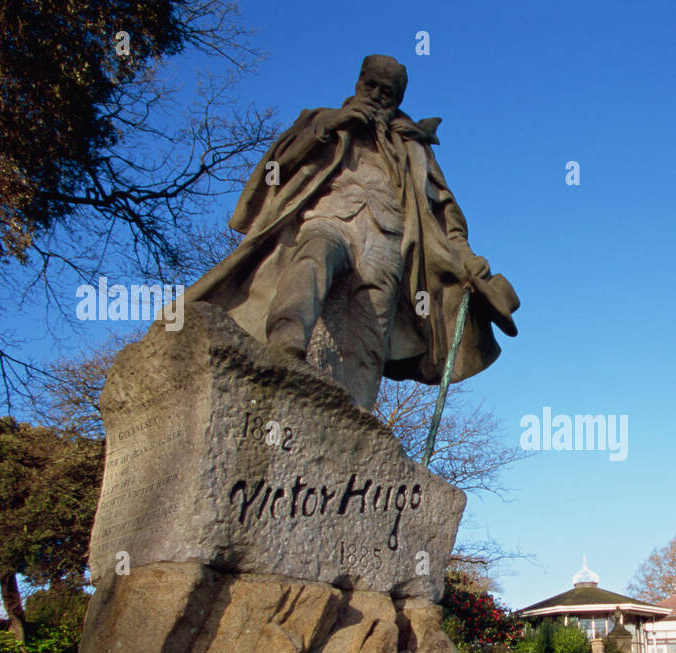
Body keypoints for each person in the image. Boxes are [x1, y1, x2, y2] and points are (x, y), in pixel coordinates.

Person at [187, 54, 518, 410]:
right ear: (357, 82)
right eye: (369, 84)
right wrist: (328, 127)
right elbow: (273, 172)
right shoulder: (320, 121)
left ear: (397, 101)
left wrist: (466, 257)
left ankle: (357, 411)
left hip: (388, 240)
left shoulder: (413, 147)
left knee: (372, 325)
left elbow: (444, 214)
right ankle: (284, 347)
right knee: (312, 260)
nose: (375, 95)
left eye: (386, 92)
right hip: (331, 217)